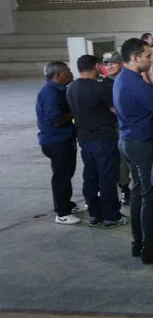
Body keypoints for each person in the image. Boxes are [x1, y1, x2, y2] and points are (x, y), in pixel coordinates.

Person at [113, 39, 153, 263]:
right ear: (135, 57)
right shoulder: (136, 84)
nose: (151, 60)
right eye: (148, 56)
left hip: (129, 141)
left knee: (140, 192)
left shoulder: (123, 79)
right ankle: (151, 249)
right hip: (144, 144)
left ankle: (139, 243)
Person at [66, 54, 126, 229]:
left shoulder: (71, 87)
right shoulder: (101, 87)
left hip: (84, 139)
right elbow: (116, 110)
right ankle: (111, 216)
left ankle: (94, 214)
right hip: (104, 138)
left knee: (90, 177)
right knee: (107, 178)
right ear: (96, 66)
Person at [36, 61, 81, 225]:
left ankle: (67, 203)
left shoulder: (59, 90)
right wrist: (76, 110)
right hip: (56, 141)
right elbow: (55, 120)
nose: (70, 73)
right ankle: (62, 212)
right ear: (58, 75)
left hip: (63, 139)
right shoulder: (50, 93)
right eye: (67, 71)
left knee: (66, 173)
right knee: (61, 176)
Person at [102, 51, 132, 205]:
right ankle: (125, 188)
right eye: (106, 63)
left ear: (121, 62)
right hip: (118, 127)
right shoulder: (105, 84)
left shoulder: (129, 79)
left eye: (113, 62)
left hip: (133, 125)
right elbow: (114, 108)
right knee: (122, 162)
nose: (109, 66)